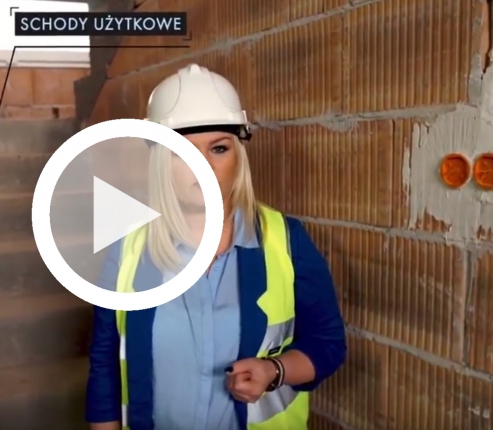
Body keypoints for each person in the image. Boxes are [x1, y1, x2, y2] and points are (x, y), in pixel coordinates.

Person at [85, 63, 347, 430]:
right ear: (159, 161)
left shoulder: (287, 240)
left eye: (219, 148)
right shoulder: (127, 250)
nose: (202, 166)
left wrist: (275, 370)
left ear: (238, 155)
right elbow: (105, 363)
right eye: (182, 152)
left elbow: (328, 342)